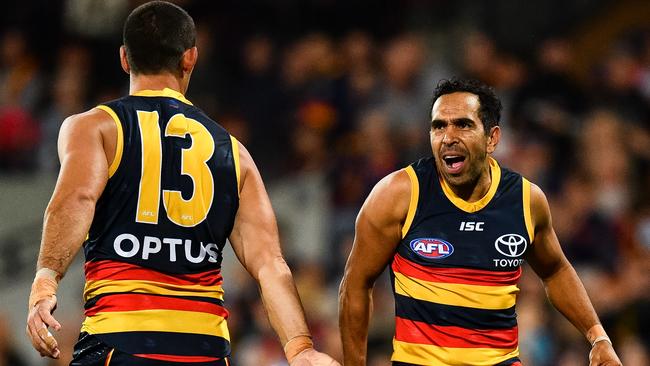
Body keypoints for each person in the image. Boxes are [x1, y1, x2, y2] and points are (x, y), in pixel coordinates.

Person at [25, 2, 339, 365]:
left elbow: (76, 200)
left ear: (125, 58)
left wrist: (46, 282)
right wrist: (300, 348)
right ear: (190, 58)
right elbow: (270, 262)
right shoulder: (234, 153)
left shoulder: (96, 127)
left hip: (122, 340)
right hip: (202, 350)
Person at [338, 78, 623, 366]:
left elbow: (555, 271)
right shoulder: (398, 195)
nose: (448, 136)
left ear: (492, 138)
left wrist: (598, 337)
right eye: (439, 126)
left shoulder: (526, 200)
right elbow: (356, 283)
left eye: (463, 124)